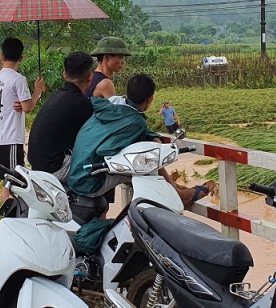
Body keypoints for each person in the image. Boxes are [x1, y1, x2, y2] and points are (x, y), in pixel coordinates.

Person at [67, 73, 209, 225]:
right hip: (90, 180)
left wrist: (148, 135)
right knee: (147, 164)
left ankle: (173, 187)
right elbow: (106, 150)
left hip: (76, 171)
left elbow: (121, 127)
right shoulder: (136, 122)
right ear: (150, 100)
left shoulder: (111, 105)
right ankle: (175, 193)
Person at [0, 38, 46, 202]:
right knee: (14, 180)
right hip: (11, 136)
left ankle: (6, 215)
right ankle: (11, 216)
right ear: (21, 58)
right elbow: (28, 107)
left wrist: (21, 104)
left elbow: (17, 103)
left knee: (7, 181)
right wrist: (38, 91)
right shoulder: (18, 79)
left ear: (1, 56)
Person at [27, 51, 95, 181]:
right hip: (56, 169)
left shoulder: (55, 96)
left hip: (36, 165)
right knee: (104, 169)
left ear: (65, 75)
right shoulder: (82, 104)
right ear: (90, 77)